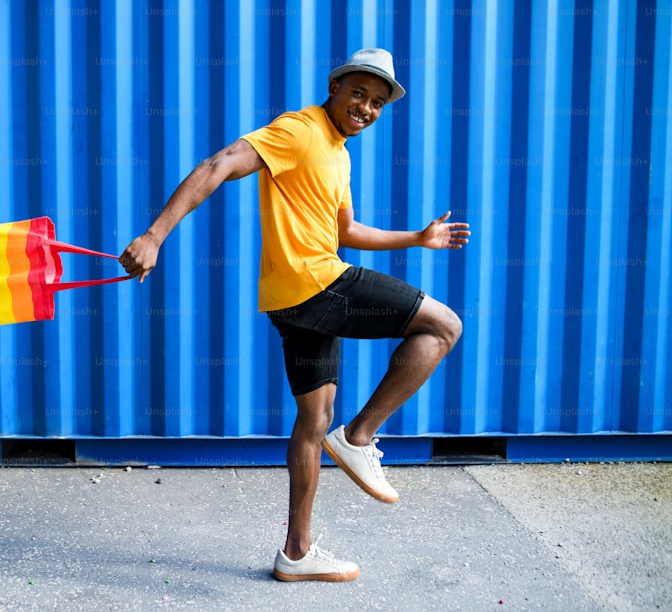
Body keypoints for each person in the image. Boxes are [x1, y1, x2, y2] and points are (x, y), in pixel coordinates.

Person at [119, 48, 470, 582]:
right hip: (318, 284)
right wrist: (155, 234)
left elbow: (346, 232)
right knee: (444, 326)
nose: (366, 107)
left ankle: (296, 553)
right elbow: (219, 165)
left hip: (291, 303)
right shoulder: (300, 130)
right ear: (335, 87)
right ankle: (359, 440)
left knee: (312, 422)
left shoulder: (338, 150)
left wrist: (417, 239)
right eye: (359, 93)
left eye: (377, 102)